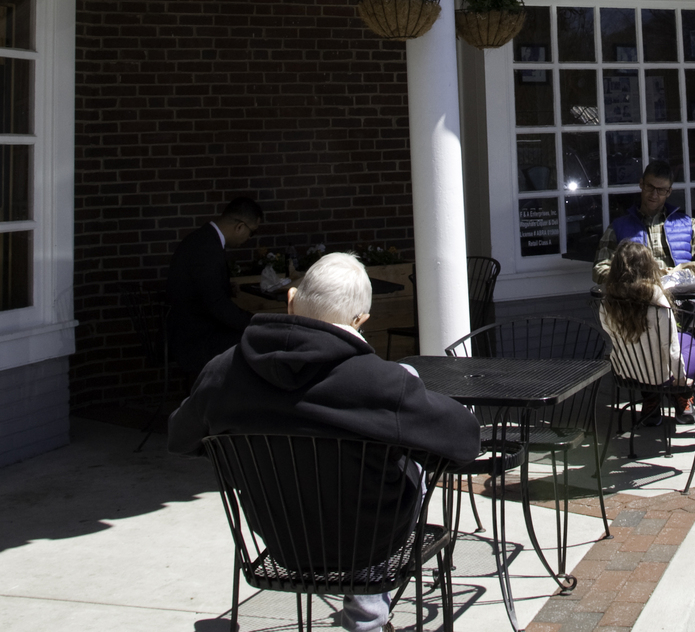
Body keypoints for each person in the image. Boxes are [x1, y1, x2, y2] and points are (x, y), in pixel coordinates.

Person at [169, 252, 480, 632]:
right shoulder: (384, 383)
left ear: (290, 299)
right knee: (398, 449)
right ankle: (367, 616)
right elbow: (464, 442)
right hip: (371, 543)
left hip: (279, 537)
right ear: (360, 321)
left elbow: (180, 438)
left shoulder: (222, 372)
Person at [598, 241, 695, 422]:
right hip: (661, 373)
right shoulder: (655, 297)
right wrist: (680, 379)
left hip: (629, 371)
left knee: (688, 339)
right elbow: (670, 347)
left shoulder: (607, 301)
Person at [166, 197, 262, 378]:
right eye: (252, 233)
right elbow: (217, 305)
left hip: (189, 331)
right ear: (240, 227)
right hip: (195, 339)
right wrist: (255, 323)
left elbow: (205, 291)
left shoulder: (202, 239)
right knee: (258, 340)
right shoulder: (208, 249)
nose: (249, 239)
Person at [591, 160, 695, 282]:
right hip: (638, 300)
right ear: (641, 184)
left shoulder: (688, 225)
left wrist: (680, 273)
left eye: (661, 190)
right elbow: (599, 270)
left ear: (669, 191)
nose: (654, 195)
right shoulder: (618, 227)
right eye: (650, 187)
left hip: (684, 300)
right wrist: (635, 280)